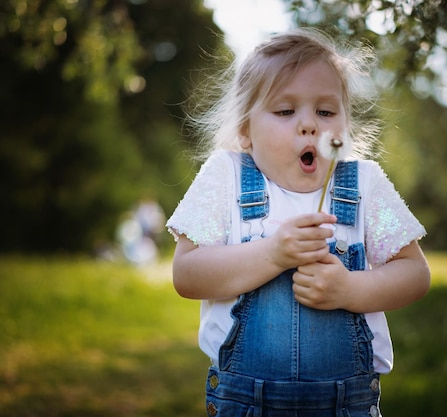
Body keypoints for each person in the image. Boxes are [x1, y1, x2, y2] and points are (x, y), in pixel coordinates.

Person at [167, 28, 430, 417]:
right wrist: (273, 254)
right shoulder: (226, 177)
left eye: (325, 112)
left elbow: (415, 274)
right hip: (246, 405)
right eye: (285, 111)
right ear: (245, 129)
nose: (309, 125)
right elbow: (187, 274)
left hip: (347, 406)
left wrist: (349, 289)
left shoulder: (364, 185)